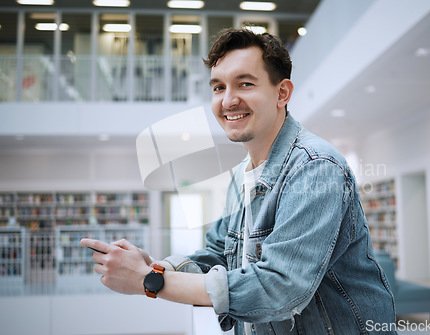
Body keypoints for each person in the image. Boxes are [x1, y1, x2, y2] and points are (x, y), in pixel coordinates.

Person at [81, 28, 397, 334]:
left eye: (244, 84)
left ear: (282, 92)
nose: (228, 100)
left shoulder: (315, 168)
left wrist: (152, 282)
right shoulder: (242, 174)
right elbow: (218, 253)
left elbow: (280, 286)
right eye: (218, 87)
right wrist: (157, 268)